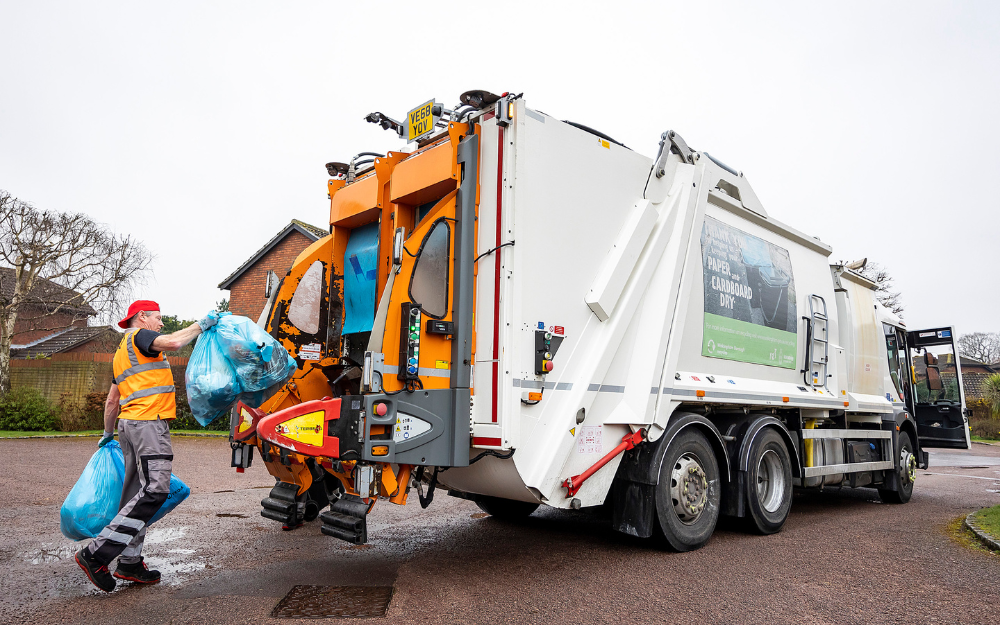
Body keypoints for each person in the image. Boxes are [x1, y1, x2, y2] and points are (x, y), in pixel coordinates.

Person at [75, 300, 227, 592]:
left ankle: (130, 562)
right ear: (142, 317)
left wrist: (108, 435)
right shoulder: (141, 337)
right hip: (148, 424)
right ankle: (95, 555)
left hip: (127, 426)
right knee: (156, 490)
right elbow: (172, 342)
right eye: (157, 318)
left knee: (135, 493)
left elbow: (111, 401)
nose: (160, 324)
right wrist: (201, 324)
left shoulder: (122, 353)